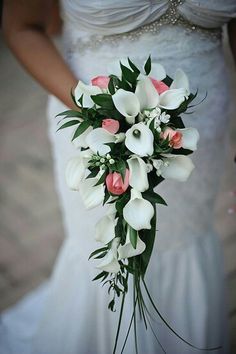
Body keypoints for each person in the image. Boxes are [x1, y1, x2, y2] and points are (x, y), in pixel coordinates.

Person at [1, 1, 236, 353]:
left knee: (186, 237)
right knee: (111, 246)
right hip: (97, 126)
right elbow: (22, 27)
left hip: (202, 124)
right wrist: (96, 112)